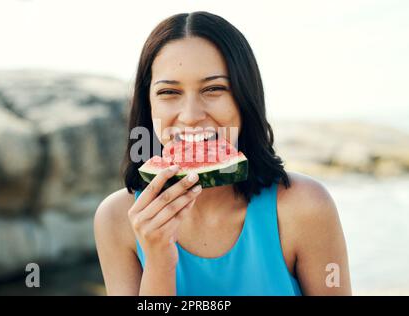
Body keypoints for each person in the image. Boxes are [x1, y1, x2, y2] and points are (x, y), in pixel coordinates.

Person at [94, 11, 351, 296]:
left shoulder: (305, 207)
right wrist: (158, 260)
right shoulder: (116, 219)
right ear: (148, 104)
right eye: (169, 92)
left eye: (214, 88)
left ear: (244, 97)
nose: (191, 116)